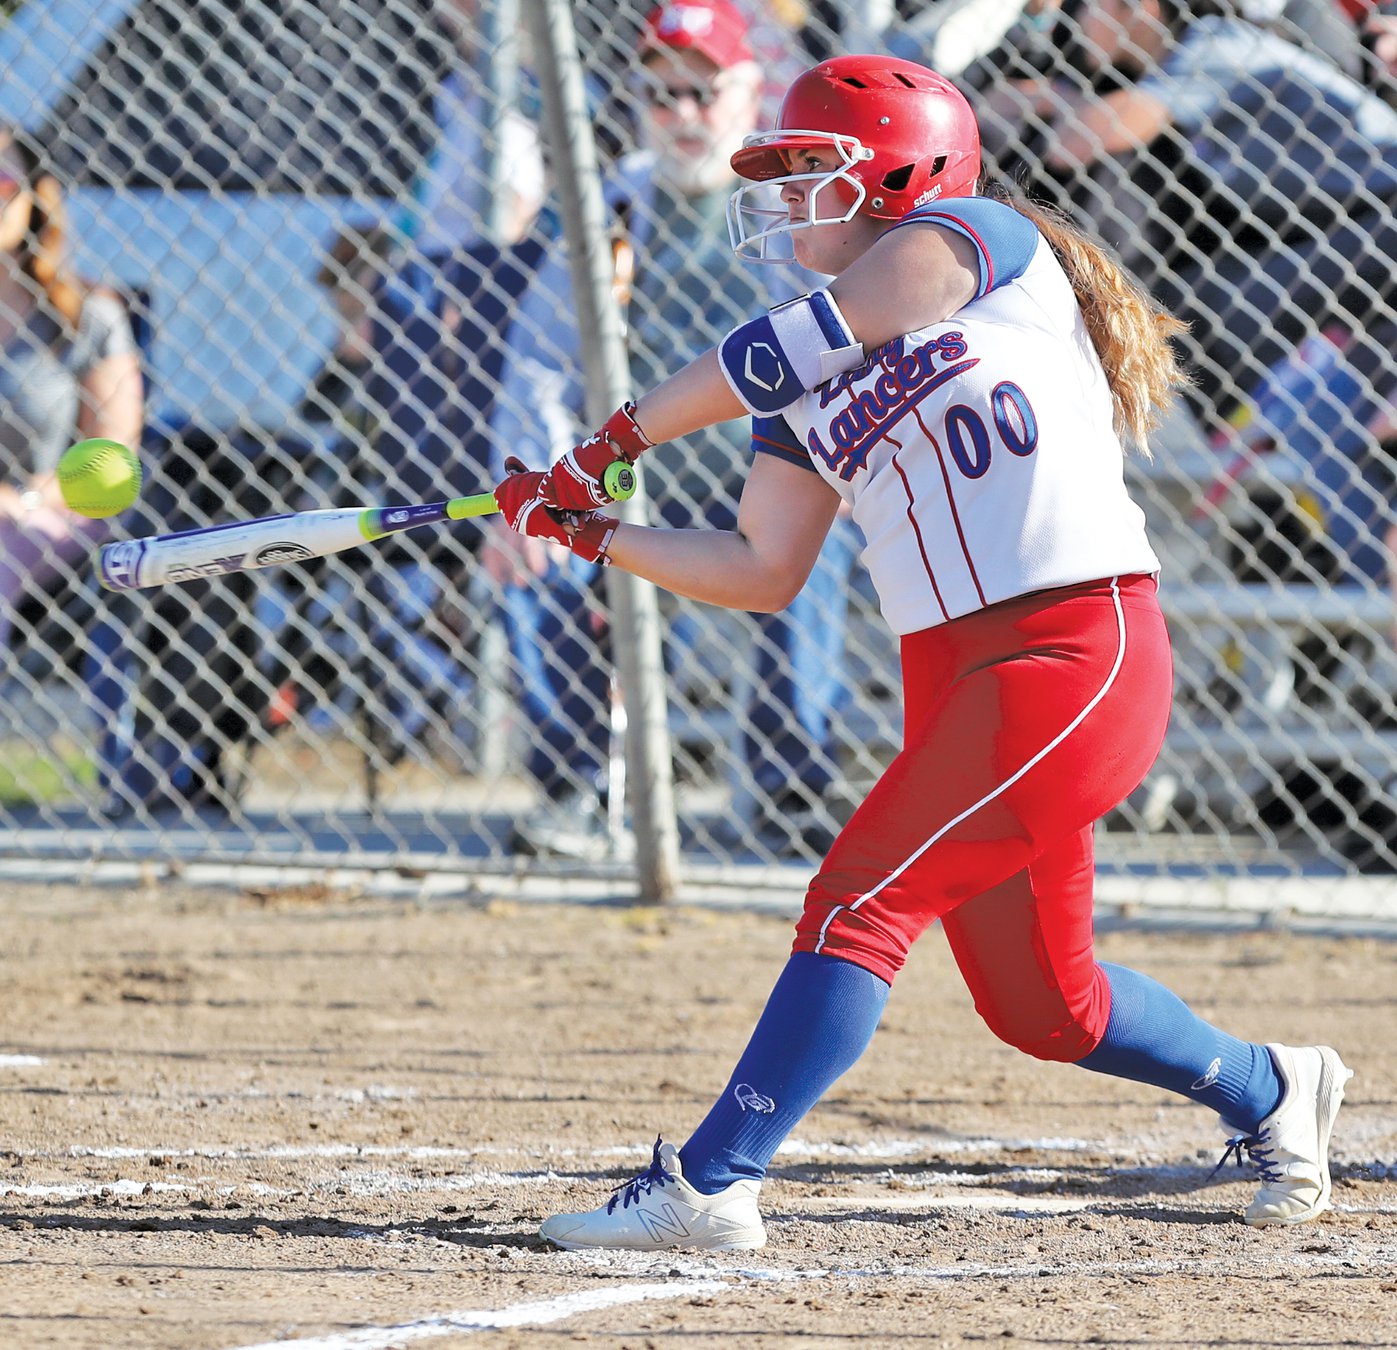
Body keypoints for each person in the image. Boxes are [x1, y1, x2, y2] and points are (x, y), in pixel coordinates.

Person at [493, 53, 1354, 1248]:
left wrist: (614, 435)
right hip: (950, 677)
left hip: (1073, 644)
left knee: (859, 901)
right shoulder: (809, 377)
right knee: (1044, 1006)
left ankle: (709, 1183)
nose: (788, 193)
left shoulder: (973, 240)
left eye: (812, 168)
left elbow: (778, 349)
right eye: (782, 171)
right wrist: (602, 533)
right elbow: (758, 569)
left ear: (902, 166)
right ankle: (1274, 1089)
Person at [488, 0, 859, 858]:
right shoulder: (603, 206)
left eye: (702, 92)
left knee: (814, 537)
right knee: (531, 547)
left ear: (748, 92)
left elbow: (840, 349)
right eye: (662, 95)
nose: (683, 116)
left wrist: (831, 469)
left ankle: (789, 789)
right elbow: (537, 362)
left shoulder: (792, 212)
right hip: (633, 479)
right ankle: (579, 790)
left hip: (771, 474)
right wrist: (545, 484)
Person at [0, 127, 142, 659]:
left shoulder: (86, 316)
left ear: (36, 195)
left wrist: (23, 499)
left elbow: (110, 465)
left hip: (44, 515)